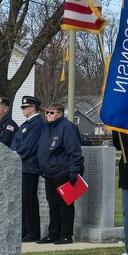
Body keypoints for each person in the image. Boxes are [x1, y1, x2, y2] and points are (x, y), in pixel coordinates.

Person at [40, 102, 84, 245]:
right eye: (46, 112)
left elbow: (74, 151)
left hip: (62, 170)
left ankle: (66, 235)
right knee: (52, 204)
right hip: (50, 172)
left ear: (60, 114)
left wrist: (74, 172)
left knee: (65, 204)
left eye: (51, 113)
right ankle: (53, 234)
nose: (47, 115)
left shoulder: (67, 127)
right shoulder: (47, 128)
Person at [10, 95, 45, 244]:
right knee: (23, 201)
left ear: (33, 108)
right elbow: (15, 141)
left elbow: (29, 146)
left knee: (29, 200)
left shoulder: (38, 124)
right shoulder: (25, 125)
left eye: (25, 107)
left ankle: (33, 232)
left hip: (30, 167)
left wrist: (17, 154)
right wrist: (11, 153)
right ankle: (24, 231)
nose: (23, 110)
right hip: (21, 166)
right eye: (23, 107)